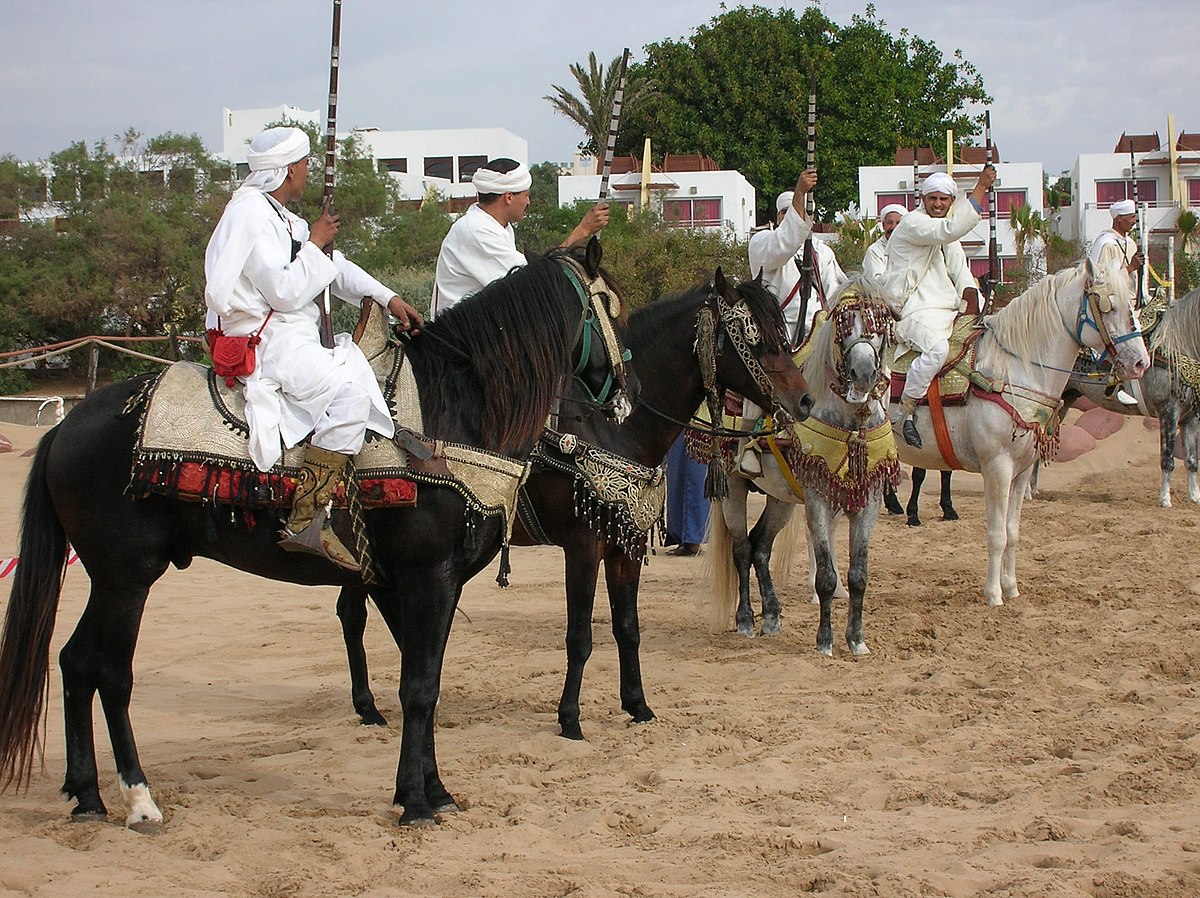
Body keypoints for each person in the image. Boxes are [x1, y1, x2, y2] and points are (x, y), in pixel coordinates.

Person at [204, 126, 424, 570]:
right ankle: (307, 516)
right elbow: (284, 292)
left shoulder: (283, 216)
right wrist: (317, 243)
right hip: (270, 339)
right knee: (350, 395)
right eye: (304, 165)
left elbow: (332, 269)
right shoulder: (250, 215)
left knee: (359, 370)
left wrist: (388, 297)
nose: (307, 172)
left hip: (294, 332)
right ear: (288, 170)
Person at [882, 167, 996, 448]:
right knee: (938, 350)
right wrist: (981, 187)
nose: (938, 204)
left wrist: (976, 303)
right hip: (911, 311)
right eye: (932, 198)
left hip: (946, 310)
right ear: (923, 199)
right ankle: (905, 412)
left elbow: (962, 274)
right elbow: (949, 229)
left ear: (951, 202)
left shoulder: (947, 237)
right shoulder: (914, 224)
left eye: (944, 199)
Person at [431, 158, 610, 317]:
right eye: (526, 195)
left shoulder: (496, 226)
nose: (528, 202)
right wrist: (583, 230)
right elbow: (535, 282)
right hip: (462, 344)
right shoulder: (476, 230)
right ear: (509, 197)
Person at [747, 169, 847, 347]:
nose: (791, 216)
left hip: (817, 334)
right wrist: (799, 194)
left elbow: (834, 294)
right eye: (786, 211)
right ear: (778, 217)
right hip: (776, 333)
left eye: (796, 211)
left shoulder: (822, 251)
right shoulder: (761, 241)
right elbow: (784, 243)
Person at [1088, 198, 1144, 404]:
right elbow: (1100, 281)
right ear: (1119, 219)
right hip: (1110, 304)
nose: (1133, 221)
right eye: (1130, 217)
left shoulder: (1129, 243)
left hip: (1130, 301)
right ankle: (1117, 383)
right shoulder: (1106, 244)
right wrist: (1129, 269)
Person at [663, 434, 709, 556]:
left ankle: (692, 539)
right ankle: (683, 536)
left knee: (696, 475)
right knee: (677, 473)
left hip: (701, 424)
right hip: (679, 424)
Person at [862, 203, 908, 283]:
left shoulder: (910, 248)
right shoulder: (874, 251)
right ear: (883, 225)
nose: (894, 227)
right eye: (890, 223)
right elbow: (877, 282)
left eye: (898, 223)